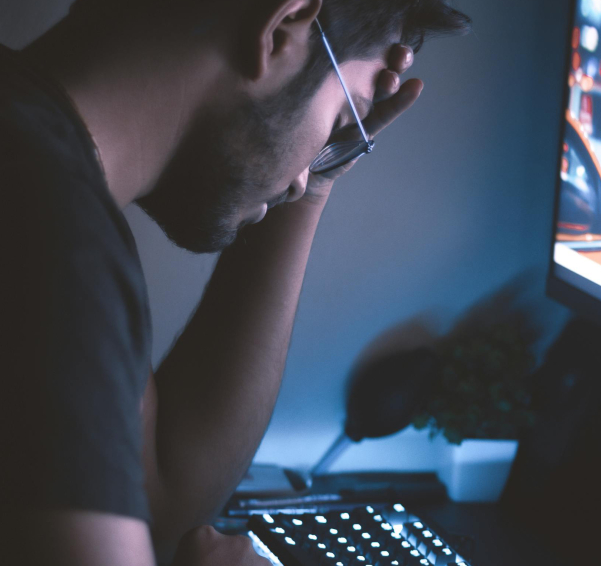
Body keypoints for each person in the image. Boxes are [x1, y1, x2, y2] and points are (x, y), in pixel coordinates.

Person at [0, 0, 470, 564]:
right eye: (345, 120)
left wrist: (317, 175)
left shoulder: (45, 185)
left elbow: (160, 497)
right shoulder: (53, 240)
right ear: (279, 30)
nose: (299, 181)